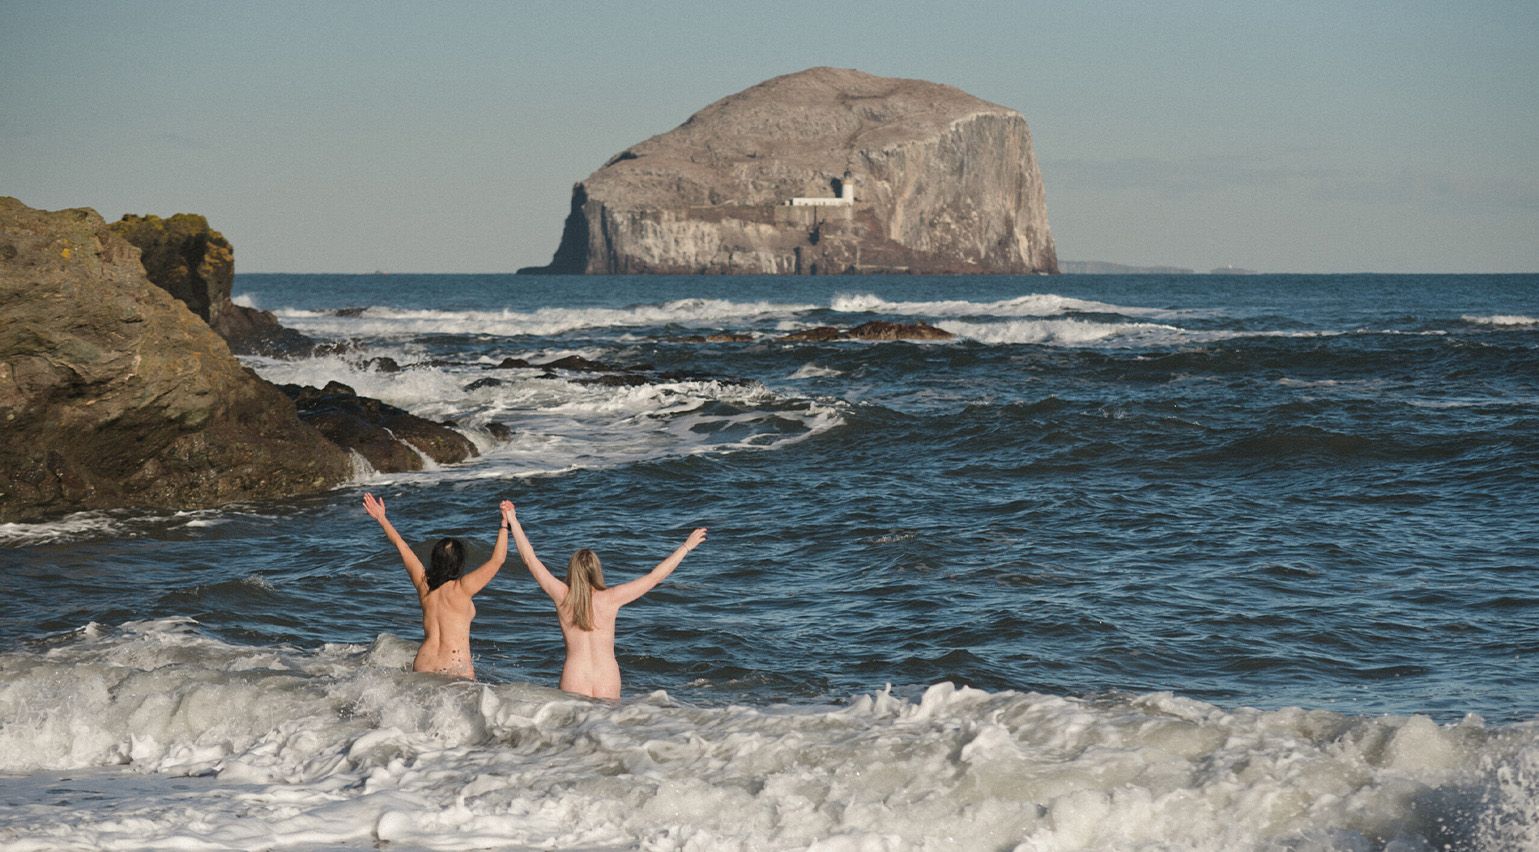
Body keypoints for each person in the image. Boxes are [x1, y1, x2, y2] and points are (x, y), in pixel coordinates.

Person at [505, 503, 706, 700]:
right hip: (606, 677)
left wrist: (513, 519)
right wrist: (686, 547)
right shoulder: (612, 598)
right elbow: (654, 577)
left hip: (575, 676)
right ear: (597, 571)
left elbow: (530, 560)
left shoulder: (562, 596)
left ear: (572, 571)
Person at [363, 492, 511, 680]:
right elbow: (498, 560)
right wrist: (505, 523)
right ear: (459, 563)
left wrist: (381, 518)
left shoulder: (424, 584)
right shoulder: (463, 588)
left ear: (434, 559)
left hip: (424, 662)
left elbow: (402, 546)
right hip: (455, 665)